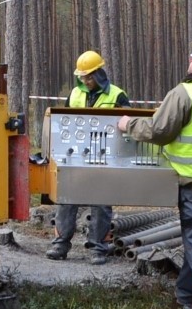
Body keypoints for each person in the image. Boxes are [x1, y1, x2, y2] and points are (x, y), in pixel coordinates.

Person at [117, 36, 192, 309]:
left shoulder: (185, 94)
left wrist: (127, 124)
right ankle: (185, 293)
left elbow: (159, 131)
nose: (190, 60)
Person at [46, 50, 130, 266]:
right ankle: (60, 244)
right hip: (76, 156)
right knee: (67, 199)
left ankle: (98, 248)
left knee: (101, 202)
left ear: (99, 73)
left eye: (89, 76)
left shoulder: (117, 96)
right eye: (82, 77)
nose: (85, 80)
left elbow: (129, 124)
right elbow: (63, 121)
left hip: (106, 158)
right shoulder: (74, 94)